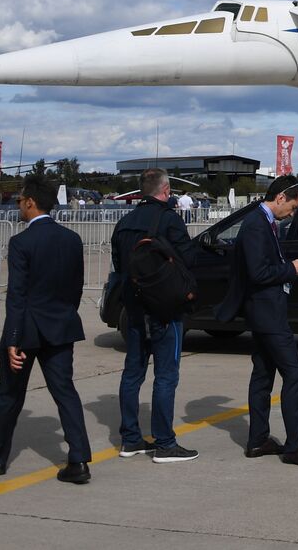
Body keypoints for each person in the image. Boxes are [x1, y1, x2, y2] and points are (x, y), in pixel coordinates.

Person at [0, 176, 92, 483]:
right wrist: (61, 316)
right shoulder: (72, 239)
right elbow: (76, 288)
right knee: (66, 393)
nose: (18, 205)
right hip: (61, 327)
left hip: (27, 330)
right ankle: (79, 460)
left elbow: (17, 295)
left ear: (31, 202)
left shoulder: (21, 242)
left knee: (9, 395)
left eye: (20, 201)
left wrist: (13, 339)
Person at [215, 175, 298, 466]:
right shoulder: (256, 225)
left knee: (263, 375)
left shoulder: (264, 224)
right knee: (295, 372)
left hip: (266, 311)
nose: (293, 213)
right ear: (280, 198)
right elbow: (258, 273)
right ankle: (294, 446)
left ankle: (258, 439)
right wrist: (291, 269)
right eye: (293, 207)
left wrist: (289, 268)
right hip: (266, 314)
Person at [110, 167, 198, 463]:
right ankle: (165, 443)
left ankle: (131, 438)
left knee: (133, 371)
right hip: (165, 310)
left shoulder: (123, 223)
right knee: (166, 374)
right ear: (166, 191)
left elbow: (119, 264)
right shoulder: (170, 221)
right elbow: (190, 257)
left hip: (134, 308)